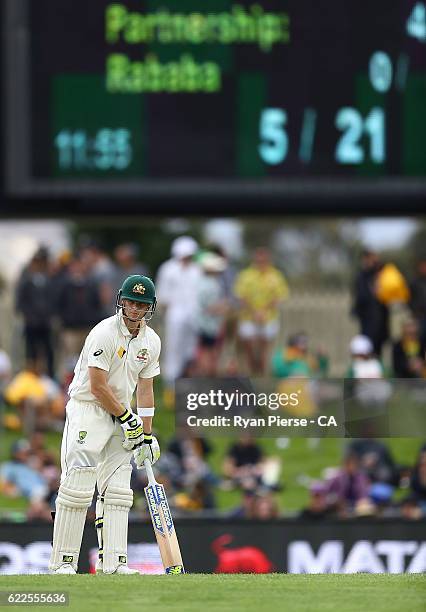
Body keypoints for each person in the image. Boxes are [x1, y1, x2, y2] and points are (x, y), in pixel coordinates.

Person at [49, 274, 161, 575]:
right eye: (131, 302)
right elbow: (97, 386)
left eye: (141, 304)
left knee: (119, 491)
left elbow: (146, 389)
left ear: (150, 307)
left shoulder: (151, 342)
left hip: (122, 415)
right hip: (90, 409)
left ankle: (113, 564)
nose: (135, 310)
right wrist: (128, 418)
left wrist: (147, 435)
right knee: (78, 486)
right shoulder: (104, 333)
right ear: (121, 301)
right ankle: (63, 562)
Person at [155, 236, 201, 403]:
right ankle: (171, 387)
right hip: (175, 314)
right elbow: (162, 294)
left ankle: (189, 386)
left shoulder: (197, 269)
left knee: (191, 350)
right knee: (173, 350)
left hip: (194, 314)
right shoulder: (168, 269)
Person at [234, 247, 288, 374]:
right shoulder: (246, 275)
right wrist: (254, 311)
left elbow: (280, 296)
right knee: (250, 348)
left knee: (264, 349)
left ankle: (261, 374)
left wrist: (263, 310)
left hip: (269, 317)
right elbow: (241, 296)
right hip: (248, 317)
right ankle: (253, 370)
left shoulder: (276, 275)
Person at [351, 250, 389, 356]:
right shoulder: (362, 277)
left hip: (380, 320)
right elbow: (361, 297)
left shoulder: (380, 274)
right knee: (367, 348)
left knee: (378, 348)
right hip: (368, 321)